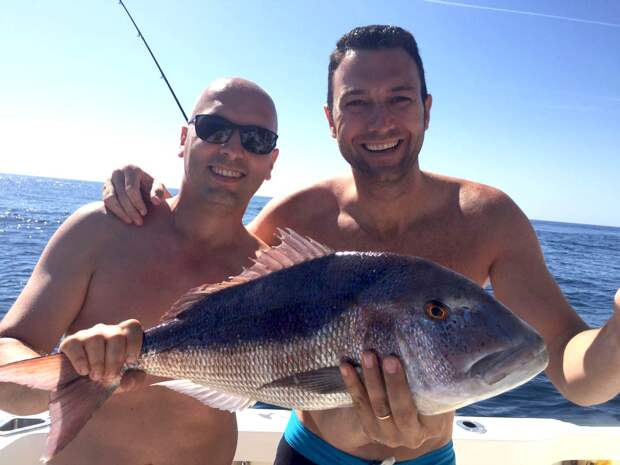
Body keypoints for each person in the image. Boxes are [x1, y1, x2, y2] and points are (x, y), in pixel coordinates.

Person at [102, 26, 620, 465]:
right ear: (331, 120)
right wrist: (149, 196)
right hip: (312, 455)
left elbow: (578, 378)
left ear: (426, 108)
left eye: (399, 98)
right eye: (357, 103)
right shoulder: (293, 216)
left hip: (430, 457)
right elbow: (209, 288)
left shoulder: (489, 218)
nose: (381, 121)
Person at [0, 77, 280, 465]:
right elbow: (6, 369)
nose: (233, 149)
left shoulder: (270, 277)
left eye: (256, 140)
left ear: (272, 163)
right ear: (184, 138)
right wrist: (75, 366)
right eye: (215, 129)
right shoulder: (100, 228)